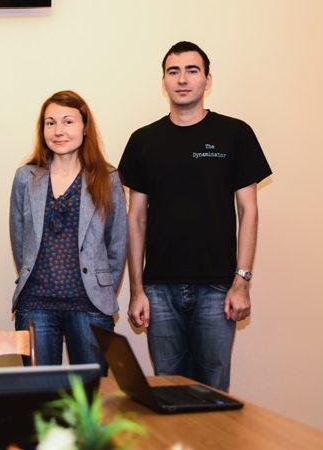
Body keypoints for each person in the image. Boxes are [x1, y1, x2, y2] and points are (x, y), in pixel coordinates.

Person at [118, 41, 272, 391]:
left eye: (192, 70)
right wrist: (137, 290)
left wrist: (241, 283)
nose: (182, 79)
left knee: (213, 394)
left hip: (217, 288)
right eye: (173, 71)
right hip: (159, 289)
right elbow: (135, 218)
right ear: (164, 81)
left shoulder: (235, 134)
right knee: (168, 391)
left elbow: (248, 211)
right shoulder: (143, 140)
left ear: (207, 80)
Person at [9, 90, 127, 372]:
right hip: (36, 303)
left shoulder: (107, 178)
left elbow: (117, 243)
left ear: (85, 127)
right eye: (50, 123)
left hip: (90, 304)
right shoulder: (26, 177)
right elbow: (20, 238)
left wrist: (102, 286)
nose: (58, 131)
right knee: (40, 392)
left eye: (68, 122)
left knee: (89, 391)